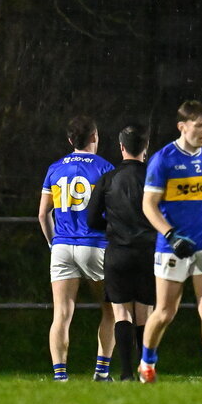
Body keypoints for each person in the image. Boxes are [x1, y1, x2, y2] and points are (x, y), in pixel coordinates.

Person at [139, 100, 202, 384]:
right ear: (182, 126)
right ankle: (147, 362)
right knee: (165, 312)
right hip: (172, 246)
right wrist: (170, 235)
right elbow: (148, 205)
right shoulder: (163, 159)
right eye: (199, 125)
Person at [39, 116, 116, 381]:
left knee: (62, 313)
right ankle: (102, 371)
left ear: (70, 140)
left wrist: (53, 243)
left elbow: (42, 214)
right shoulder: (105, 168)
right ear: (94, 137)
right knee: (111, 309)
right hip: (94, 245)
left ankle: (60, 374)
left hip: (62, 246)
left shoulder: (55, 168)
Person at [86, 123, 156, 382]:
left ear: (121, 147)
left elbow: (91, 219)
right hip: (148, 251)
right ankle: (144, 369)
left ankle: (126, 372)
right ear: (145, 148)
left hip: (118, 253)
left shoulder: (108, 178)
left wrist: (114, 228)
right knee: (144, 314)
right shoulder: (153, 177)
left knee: (122, 313)